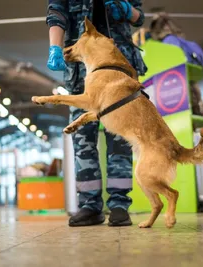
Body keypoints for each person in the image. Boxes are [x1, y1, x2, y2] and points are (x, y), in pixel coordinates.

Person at [46, 0, 147, 227]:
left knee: (120, 138)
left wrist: (126, 9)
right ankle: (90, 206)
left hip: (120, 70)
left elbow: (140, 17)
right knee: (82, 139)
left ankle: (119, 205)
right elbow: (56, 13)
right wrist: (54, 46)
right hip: (83, 72)